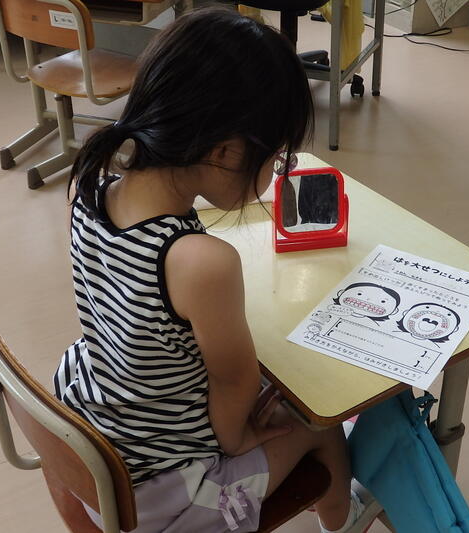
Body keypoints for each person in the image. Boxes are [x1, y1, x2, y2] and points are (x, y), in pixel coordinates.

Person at [52, 8, 379, 533]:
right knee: (319, 422)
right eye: (276, 158)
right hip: (159, 492)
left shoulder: (88, 186)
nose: (274, 173)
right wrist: (240, 441)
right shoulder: (200, 261)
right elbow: (233, 382)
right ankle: (345, 520)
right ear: (226, 151)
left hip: (91, 435)